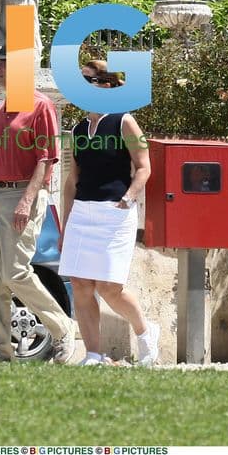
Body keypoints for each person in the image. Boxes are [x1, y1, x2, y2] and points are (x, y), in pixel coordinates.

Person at [0, 45, 75, 362]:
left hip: (23, 195)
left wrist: (27, 200)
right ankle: (0, 351)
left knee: (15, 273)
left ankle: (62, 329)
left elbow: (47, 160)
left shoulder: (41, 106)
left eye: (2, 65)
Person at [59, 59, 159, 366]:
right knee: (80, 284)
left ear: (106, 85)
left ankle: (145, 332)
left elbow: (144, 167)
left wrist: (128, 199)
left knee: (109, 288)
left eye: (88, 80)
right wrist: (65, 226)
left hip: (115, 214)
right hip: (82, 214)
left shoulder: (124, 121)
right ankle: (93, 354)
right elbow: (72, 181)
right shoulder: (77, 130)